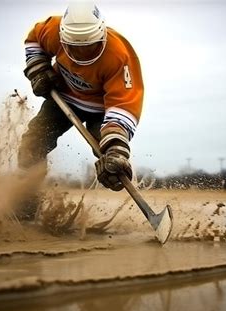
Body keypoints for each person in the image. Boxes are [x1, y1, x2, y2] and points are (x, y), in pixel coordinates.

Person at [19, 1, 143, 192]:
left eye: (88, 47)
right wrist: (38, 69)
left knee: (112, 159)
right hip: (64, 97)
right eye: (74, 47)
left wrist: (116, 146)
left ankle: (117, 167)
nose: (81, 54)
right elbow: (35, 40)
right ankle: (26, 203)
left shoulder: (119, 56)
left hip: (102, 111)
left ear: (101, 36)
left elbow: (123, 104)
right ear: (63, 36)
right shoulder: (52, 30)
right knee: (33, 143)